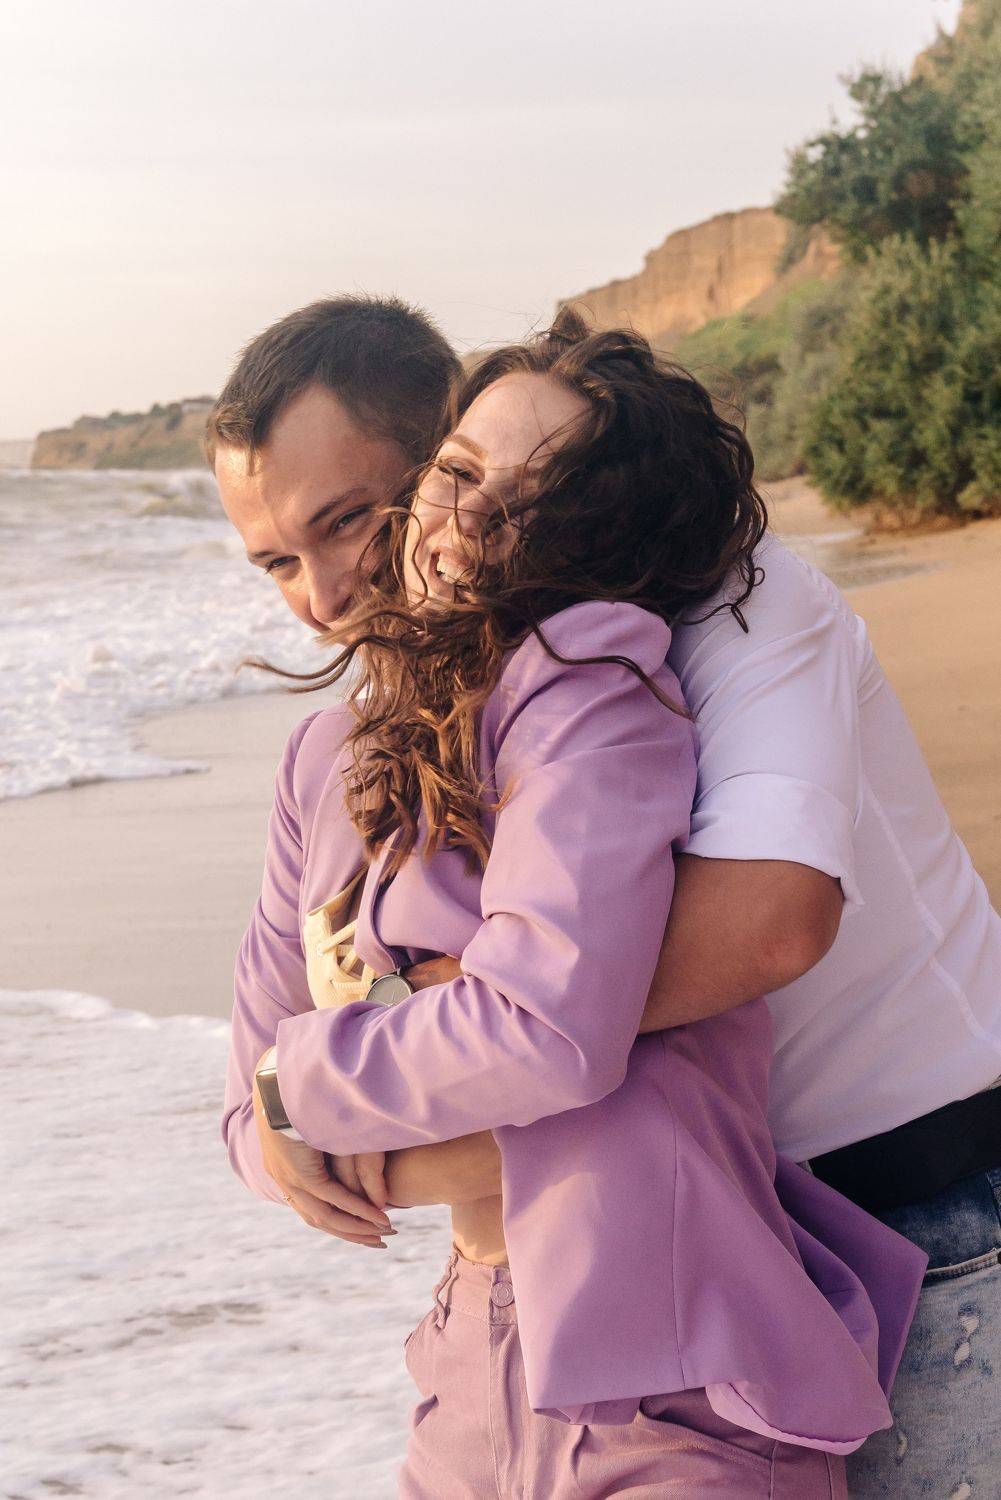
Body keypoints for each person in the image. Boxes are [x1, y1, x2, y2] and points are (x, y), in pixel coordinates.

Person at [212, 296, 1001, 1496]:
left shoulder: (711, 609)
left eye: (350, 520)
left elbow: (757, 929)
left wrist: (375, 1060)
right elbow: (262, 1108)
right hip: (583, 1290)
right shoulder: (350, 757)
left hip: (911, 1204)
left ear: (447, 446)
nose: (323, 596)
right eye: (277, 561)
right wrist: (377, 1080)